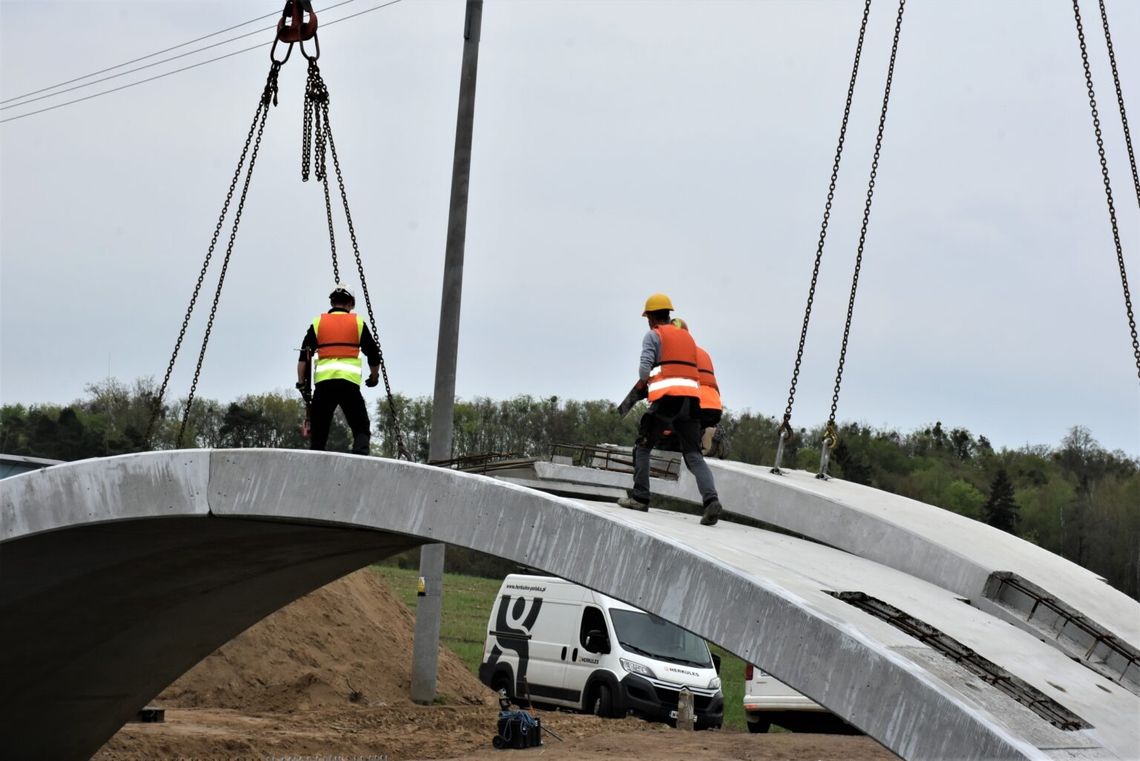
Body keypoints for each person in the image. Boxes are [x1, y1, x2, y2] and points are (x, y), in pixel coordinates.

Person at [616, 293, 724, 526]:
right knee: (694, 455)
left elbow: (644, 372)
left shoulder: (654, 336)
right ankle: (711, 501)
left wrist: (654, 379)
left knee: (643, 446)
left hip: (668, 399)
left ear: (651, 317)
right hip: (693, 402)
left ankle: (640, 497)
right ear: (669, 314)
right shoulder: (687, 339)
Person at [297, 283, 381, 455]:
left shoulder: (318, 323)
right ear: (351, 304)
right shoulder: (357, 323)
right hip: (348, 385)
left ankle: (317, 471)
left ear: (332, 302)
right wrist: (374, 377)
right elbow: (373, 355)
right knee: (361, 428)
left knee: (318, 436)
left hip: (324, 386)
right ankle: (359, 460)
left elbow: (303, 360)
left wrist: (301, 385)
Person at [672, 318, 723, 456]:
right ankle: (706, 434)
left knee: (666, 425)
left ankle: (700, 438)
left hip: (696, 405)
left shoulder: (677, 354)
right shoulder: (703, 353)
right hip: (715, 406)